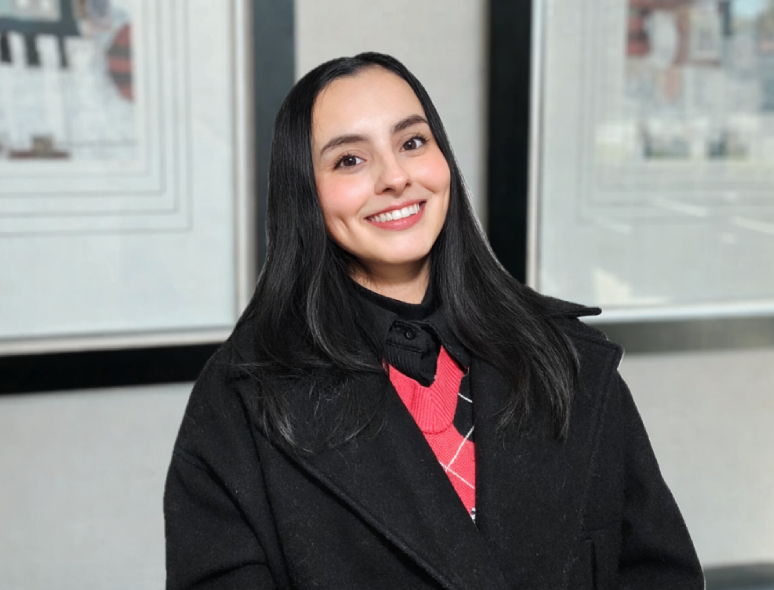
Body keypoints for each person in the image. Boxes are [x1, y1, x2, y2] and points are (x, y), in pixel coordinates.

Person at [164, 52, 703, 590]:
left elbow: (661, 574)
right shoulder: (240, 402)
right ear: (304, 193)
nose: (395, 177)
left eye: (412, 142)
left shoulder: (568, 359)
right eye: (349, 160)